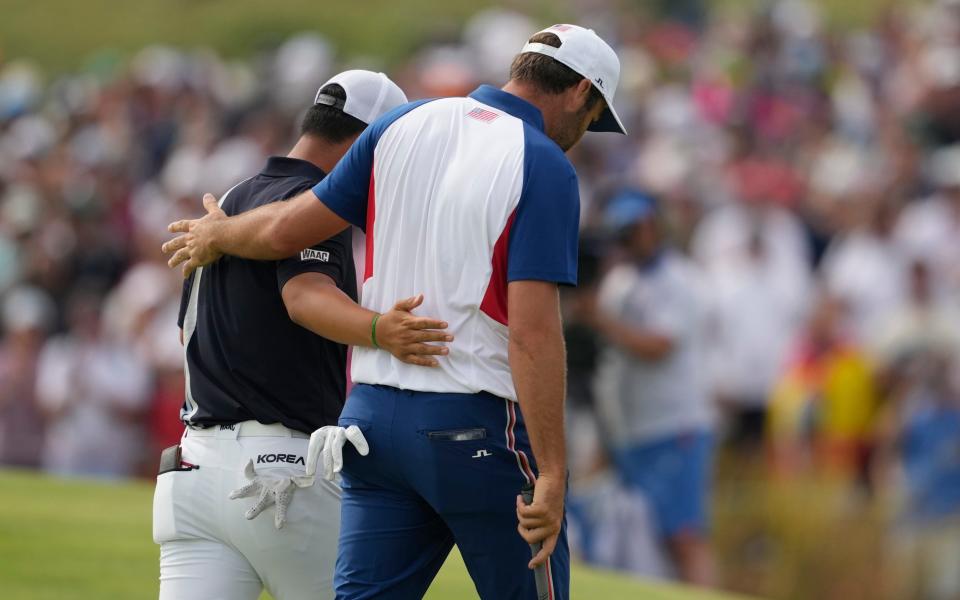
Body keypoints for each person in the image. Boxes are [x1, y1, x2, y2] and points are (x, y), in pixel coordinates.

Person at [162, 23, 626, 600]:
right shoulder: (545, 164)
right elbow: (532, 333)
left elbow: (285, 228)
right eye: (593, 117)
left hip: (372, 426)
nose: (583, 135)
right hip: (475, 427)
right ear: (582, 91)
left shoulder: (401, 124)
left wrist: (222, 233)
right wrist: (554, 471)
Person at [153, 70, 452, 600]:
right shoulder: (312, 200)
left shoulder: (233, 199)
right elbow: (304, 295)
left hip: (192, 470)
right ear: (368, 140)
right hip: (281, 469)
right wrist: (380, 330)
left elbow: (188, 337)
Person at [590, 190, 716, 585]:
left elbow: (658, 346)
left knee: (682, 536)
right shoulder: (620, 281)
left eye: (633, 230)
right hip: (631, 430)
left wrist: (597, 319)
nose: (627, 240)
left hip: (672, 426)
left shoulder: (679, 279)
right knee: (642, 539)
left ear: (653, 227)